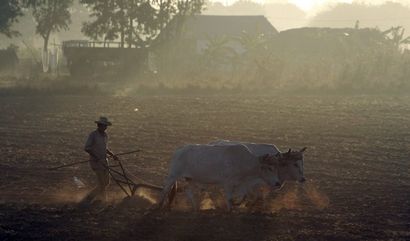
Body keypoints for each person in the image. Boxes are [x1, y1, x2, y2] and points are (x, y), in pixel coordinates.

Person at [79, 116, 119, 206]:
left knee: (106, 183)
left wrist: (112, 155)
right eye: (104, 126)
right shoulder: (93, 135)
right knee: (101, 183)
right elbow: (87, 148)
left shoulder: (105, 135)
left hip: (104, 161)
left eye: (106, 126)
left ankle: (95, 198)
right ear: (99, 125)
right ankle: (100, 200)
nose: (105, 127)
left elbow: (105, 148)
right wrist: (95, 157)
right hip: (96, 162)